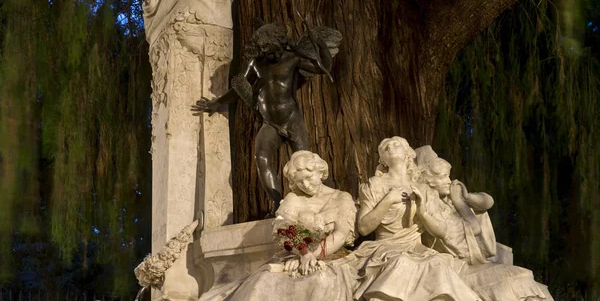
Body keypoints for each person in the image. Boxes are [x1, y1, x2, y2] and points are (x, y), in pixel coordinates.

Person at [192, 20, 341, 216]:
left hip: (291, 119)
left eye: (276, 51)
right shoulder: (256, 64)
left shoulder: (293, 58)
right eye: (269, 53)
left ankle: (322, 202)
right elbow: (238, 87)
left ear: (281, 43)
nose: (274, 55)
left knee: (306, 163)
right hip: (270, 122)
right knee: (261, 158)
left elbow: (323, 68)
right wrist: (217, 102)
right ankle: (278, 205)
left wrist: (320, 44)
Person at [201, 150, 357, 300]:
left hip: (332, 256)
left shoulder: (341, 198)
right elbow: (284, 228)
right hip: (295, 256)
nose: (306, 185)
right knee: (264, 281)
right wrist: (303, 253)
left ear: (320, 171)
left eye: (309, 178)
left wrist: (311, 257)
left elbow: (341, 234)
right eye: (299, 182)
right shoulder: (294, 198)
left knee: (320, 280)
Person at [416, 145, 553, 301]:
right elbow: (474, 228)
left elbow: (487, 202)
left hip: (470, 265)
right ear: (429, 181)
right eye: (443, 177)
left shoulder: (448, 200)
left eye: (448, 176)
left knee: (531, 285)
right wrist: (459, 202)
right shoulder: (434, 209)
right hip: (457, 270)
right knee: (522, 278)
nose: (449, 181)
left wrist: (465, 197)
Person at [352, 137, 481, 301]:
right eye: (385, 147)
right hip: (386, 246)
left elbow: (441, 231)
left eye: (396, 144)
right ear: (382, 160)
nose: (391, 147)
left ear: (408, 154)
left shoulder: (424, 189)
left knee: (438, 263)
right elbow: (363, 227)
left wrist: (423, 212)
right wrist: (388, 200)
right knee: (401, 261)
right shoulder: (374, 184)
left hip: (416, 247)